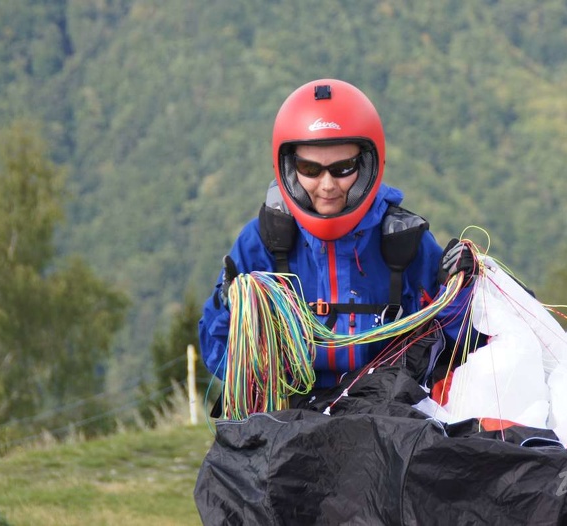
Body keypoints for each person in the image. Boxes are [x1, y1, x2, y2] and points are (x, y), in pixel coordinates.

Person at [198, 79, 476, 390]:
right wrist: (229, 305)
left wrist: (462, 289)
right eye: (310, 169)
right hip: (289, 416)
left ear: (368, 163)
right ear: (288, 168)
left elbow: (462, 347)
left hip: (387, 417)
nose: (327, 185)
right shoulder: (263, 241)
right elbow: (219, 355)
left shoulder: (403, 241)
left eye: (343, 168)